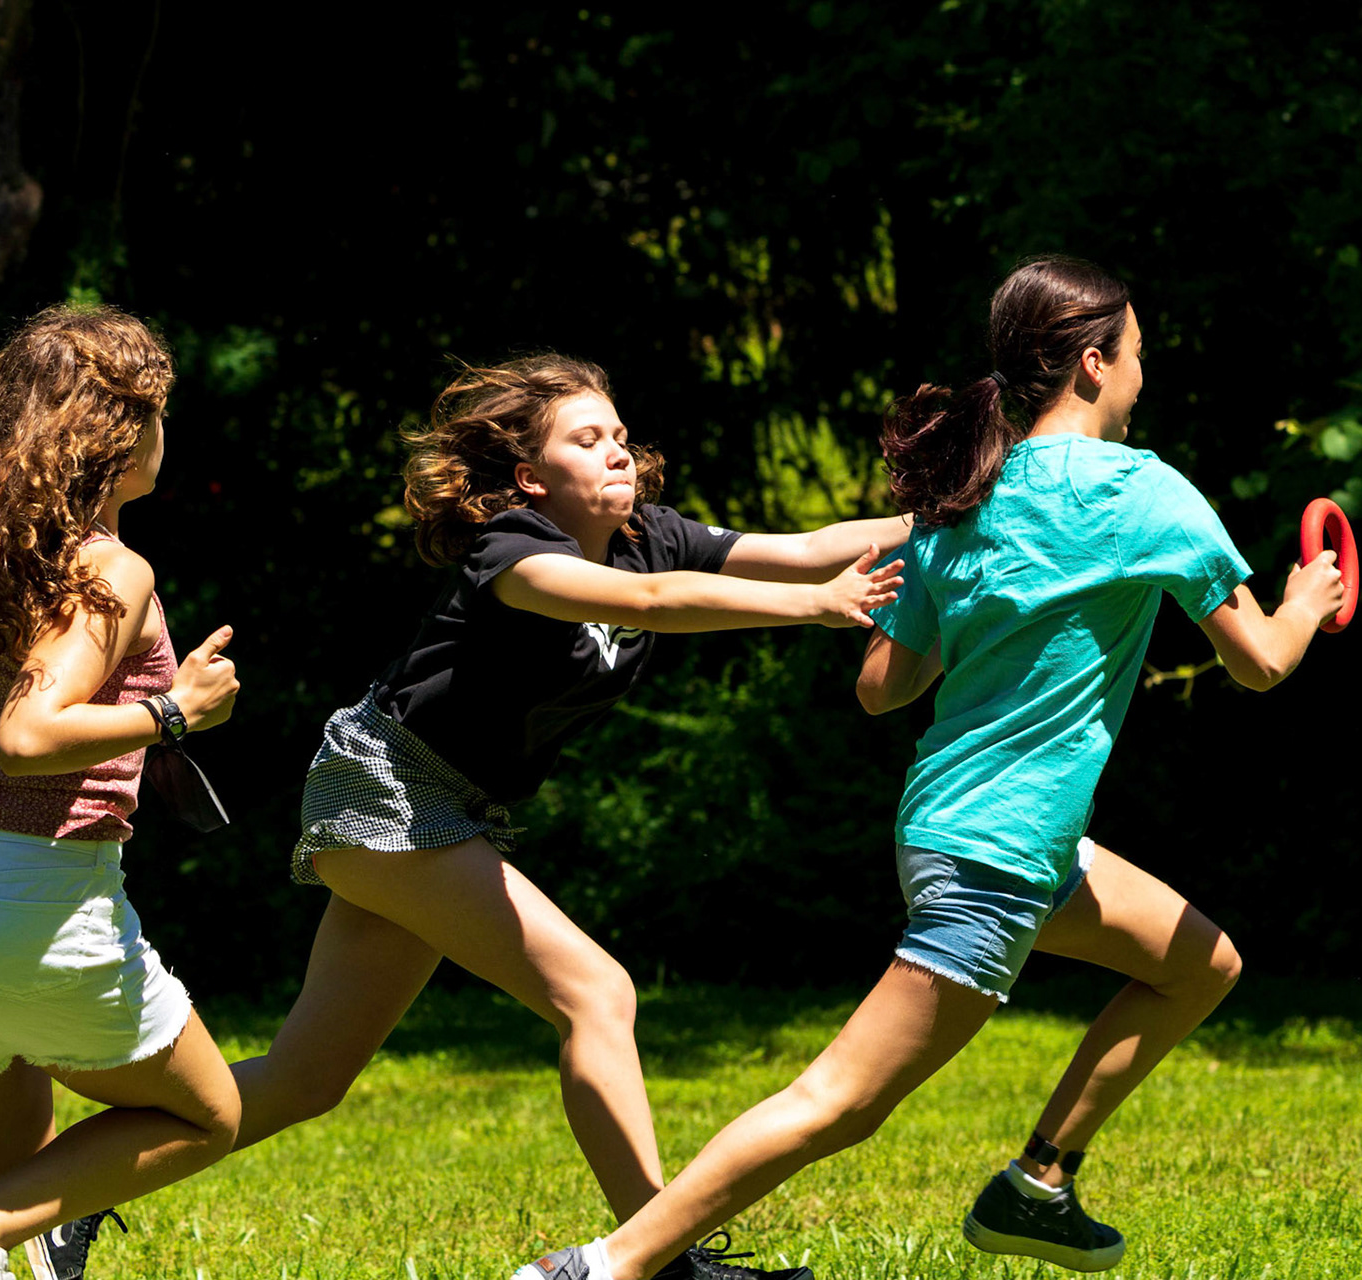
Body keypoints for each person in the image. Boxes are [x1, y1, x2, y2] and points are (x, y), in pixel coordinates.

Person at [512, 255, 1348, 1280]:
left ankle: (1039, 1180)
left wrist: (974, 611)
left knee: (1200, 961)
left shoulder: (967, 500)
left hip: (957, 832)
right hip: (999, 854)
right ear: (1092, 364)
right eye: (1137, 357)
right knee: (840, 1101)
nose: (1144, 376)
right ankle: (606, 1265)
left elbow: (881, 687)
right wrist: (1307, 600)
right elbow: (1260, 662)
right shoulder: (1149, 494)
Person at [223, 356, 908, 1280]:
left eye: (621, 437)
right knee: (598, 993)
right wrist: (814, 610)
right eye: (588, 441)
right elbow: (653, 606)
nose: (619, 454)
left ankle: (67, 1191)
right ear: (533, 479)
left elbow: (809, 544)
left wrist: (946, 516)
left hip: (446, 806)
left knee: (304, 1079)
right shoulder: (513, 548)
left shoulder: (649, 535)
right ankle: (658, 1260)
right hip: (387, 788)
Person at [0, 305, 244, 1280]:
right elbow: (30, 733)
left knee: (3, 1156)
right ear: (120, 433)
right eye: (158, 414)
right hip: (37, 905)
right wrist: (175, 711)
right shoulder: (106, 565)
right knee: (205, 1113)